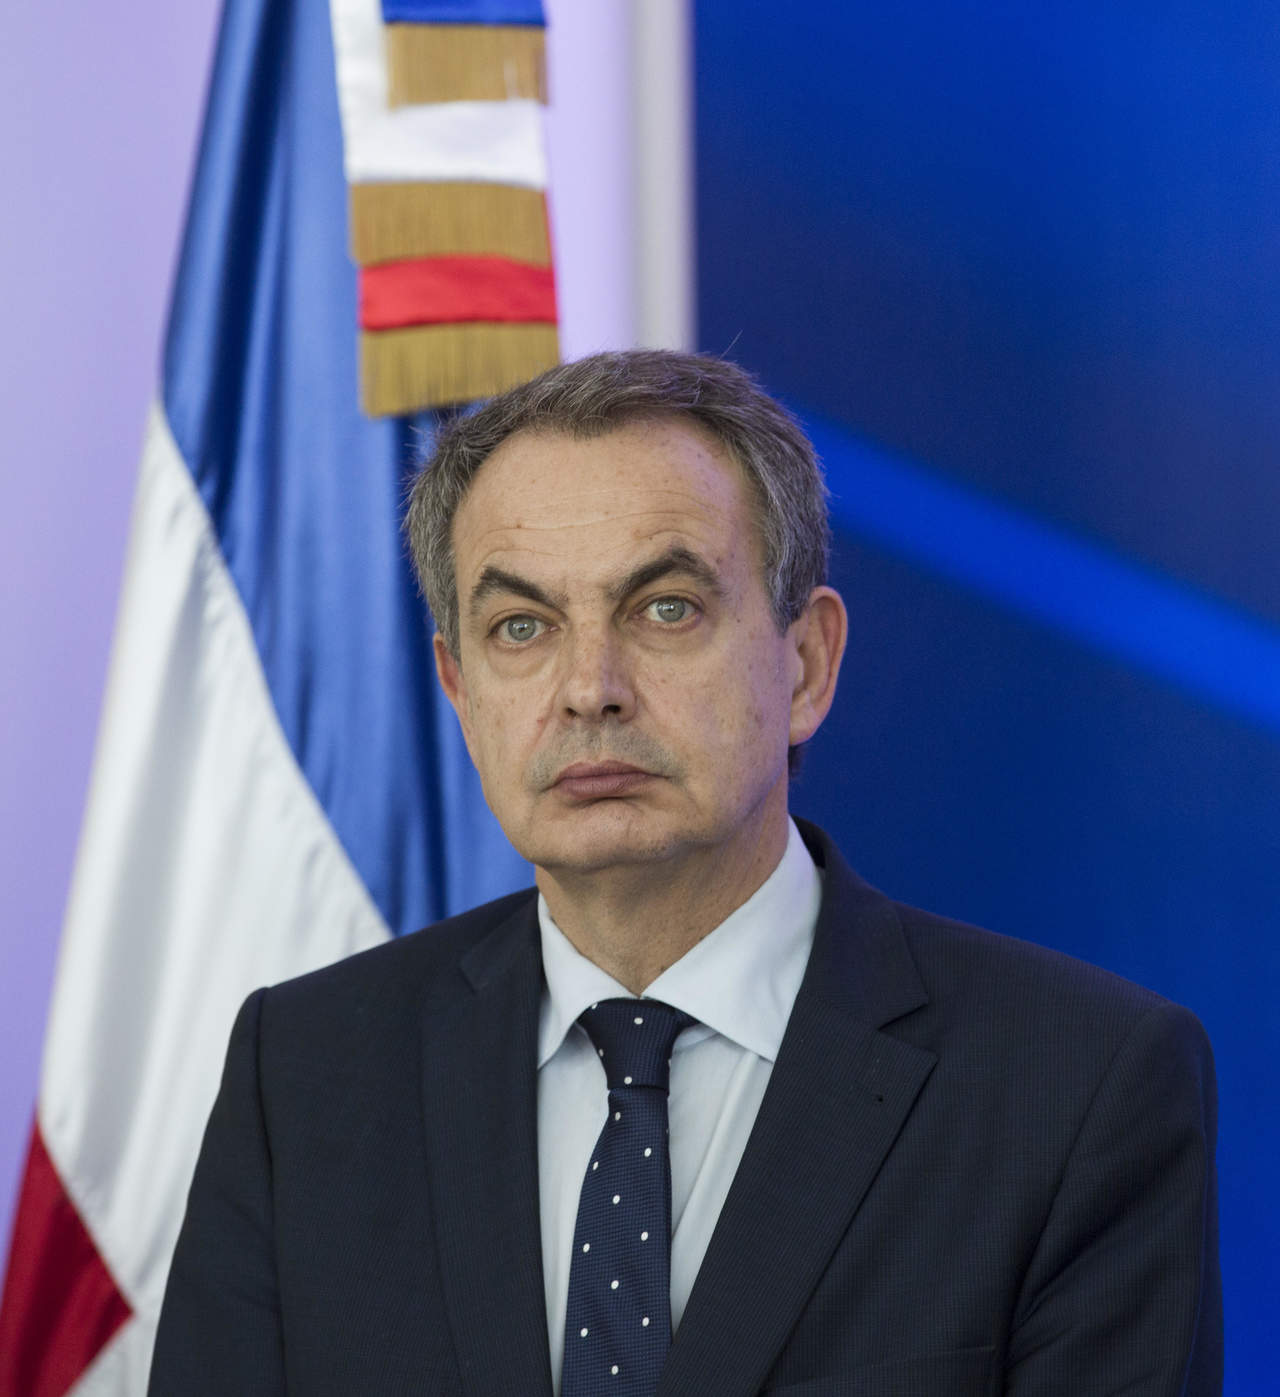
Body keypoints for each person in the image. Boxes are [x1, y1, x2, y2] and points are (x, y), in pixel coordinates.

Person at [149, 350, 1221, 1395]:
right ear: (459, 690)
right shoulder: (304, 1077)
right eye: (520, 626)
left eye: (664, 607)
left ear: (806, 664)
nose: (589, 687)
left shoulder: (1080, 1090)